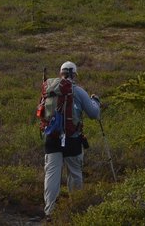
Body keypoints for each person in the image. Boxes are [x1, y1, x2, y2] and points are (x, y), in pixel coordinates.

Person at [43, 61, 101, 219]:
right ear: (74, 74)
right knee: (75, 174)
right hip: (72, 139)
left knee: (51, 175)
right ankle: (75, 208)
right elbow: (94, 114)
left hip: (52, 138)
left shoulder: (49, 88)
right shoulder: (79, 91)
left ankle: (50, 212)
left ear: (61, 73)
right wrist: (96, 101)